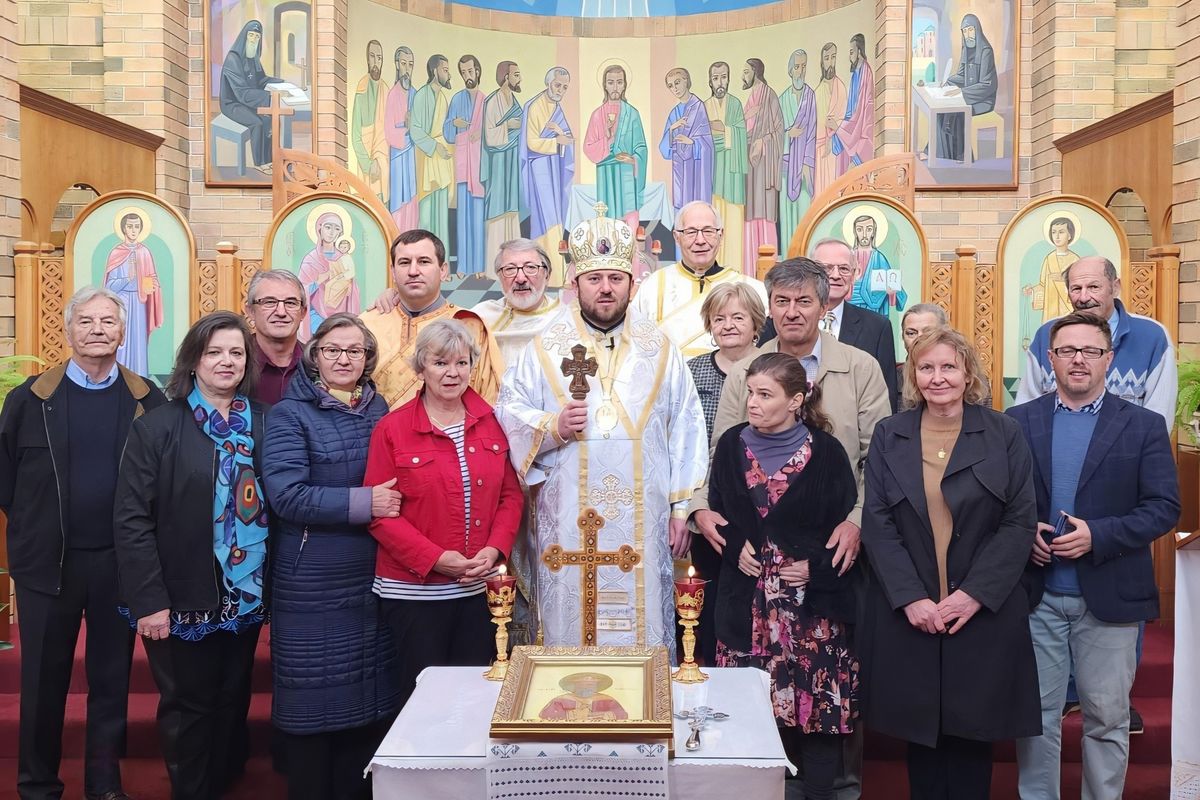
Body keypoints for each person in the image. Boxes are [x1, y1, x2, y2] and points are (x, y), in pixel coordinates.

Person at [689, 258, 888, 800]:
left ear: (825, 306)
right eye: (782, 301)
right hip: (751, 583)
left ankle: (835, 790)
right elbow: (721, 458)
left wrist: (856, 522)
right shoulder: (744, 371)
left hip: (827, 557)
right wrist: (703, 511)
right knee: (755, 702)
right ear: (769, 307)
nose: (793, 311)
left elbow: (879, 458)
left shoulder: (860, 367)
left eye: (804, 301)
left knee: (822, 704)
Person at [497, 207, 708, 655]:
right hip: (567, 519)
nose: (606, 288)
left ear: (633, 283)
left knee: (644, 619)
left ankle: (646, 716)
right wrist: (550, 426)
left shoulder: (660, 347)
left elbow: (686, 426)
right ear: (575, 285)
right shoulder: (544, 346)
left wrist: (681, 507)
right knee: (567, 626)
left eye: (616, 278)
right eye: (595, 279)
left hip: (646, 517)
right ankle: (565, 718)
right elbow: (508, 411)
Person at [860, 327, 1040, 800]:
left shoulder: (1004, 432)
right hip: (913, 610)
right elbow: (877, 522)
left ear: (967, 373)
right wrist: (911, 598)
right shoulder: (889, 434)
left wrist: (972, 595)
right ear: (912, 376)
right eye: (926, 368)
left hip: (980, 609)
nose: (937, 377)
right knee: (921, 735)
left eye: (948, 367)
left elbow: (1020, 522)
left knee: (970, 733)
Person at [1, 286, 166, 800]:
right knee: (43, 681)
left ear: (123, 332)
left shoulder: (148, 399)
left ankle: (103, 782)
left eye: (108, 321)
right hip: (47, 567)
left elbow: (161, 483)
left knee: (112, 680)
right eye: (86, 321)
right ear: (68, 330)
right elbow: (6, 480)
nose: (98, 329)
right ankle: (37, 785)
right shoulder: (29, 399)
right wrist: (34, 531)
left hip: (119, 565)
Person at [1009, 312, 1180, 800]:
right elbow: (996, 504)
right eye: (1067, 351)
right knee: (1036, 717)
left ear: (1108, 359)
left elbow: (1165, 507)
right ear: (1051, 359)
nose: (1078, 360)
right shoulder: (1018, 422)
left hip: (1110, 596)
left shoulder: (1143, 426)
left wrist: (1098, 536)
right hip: (1036, 596)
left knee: (1107, 718)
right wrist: (1024, 535)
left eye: (1089, 351)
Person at [114, 311, 269, 800]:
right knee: (188, 705)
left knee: (230, 699)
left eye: (236, 352)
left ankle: (223, 784)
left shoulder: (264, 422)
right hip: (180, 595)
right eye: (214, 352)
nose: (227, 362)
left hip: (244, 592)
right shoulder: (158, 427)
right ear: (193, 360)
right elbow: (131, 519)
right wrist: (148, 601)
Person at [709, 353, 859, 800]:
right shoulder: (731, 446)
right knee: (752, 717)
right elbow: (720, 513)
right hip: (745, 607)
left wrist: (815, 567)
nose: (752, 403)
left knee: (817, 719)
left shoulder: (827, 453)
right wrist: (735, 548)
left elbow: (845, 533)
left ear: (797, 400)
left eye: (765, 395)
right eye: (751, 393)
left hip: (811, 614)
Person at [262, 313, 399, 800]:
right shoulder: (289, 414)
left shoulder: (379, 409)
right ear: (314, 356)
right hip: (311, 579)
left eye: (355, 351)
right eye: (332, 350)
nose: (344, 359)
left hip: (370, 575)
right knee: (313, 699)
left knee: (367, 700)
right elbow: (286, 496)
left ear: (367, 359)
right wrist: (366, 503)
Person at [364, 318, 523, 709]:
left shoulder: (493, 424)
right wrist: (436, 559)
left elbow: (510, 496)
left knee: (475, 698)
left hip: (477, 588)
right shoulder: (392, 429)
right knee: (423, 702)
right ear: (420, 369)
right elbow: (379, 514)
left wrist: (495, 550)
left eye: (461, 362)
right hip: (413, 593)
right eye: (439, 363)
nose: (452, 373)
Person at [686, 281, 767, 665]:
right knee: (707, 600)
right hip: (707, 501)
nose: (729, 325)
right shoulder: (691, 370)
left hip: (758, 505)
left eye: (739, 317)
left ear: (756, 323)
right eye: (719, 318)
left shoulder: (773, 367)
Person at [1017, 256, 1175, 429]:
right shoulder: (1046, 335)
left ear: (1115, 288)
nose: (1084, 298)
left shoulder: (1152, 336)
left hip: (1126, 453)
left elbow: (1159, 417)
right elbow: (1027, 408)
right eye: (1076, 288)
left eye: (1093, 287)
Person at [360, 228, 503, 408]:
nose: (413, 271)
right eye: (404, 262)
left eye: (424, 261)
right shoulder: (367, 323)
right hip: (375, 434)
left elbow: (488, 400)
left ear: (443, 271)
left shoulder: (468, 325)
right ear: (393, 272)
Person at [631, 200, 768, 359]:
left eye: (708, 231)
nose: (700, 240)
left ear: (720, 235)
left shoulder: (753, 289)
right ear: (677, 237)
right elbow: (634, 347)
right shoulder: (653, 286)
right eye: (690, 232)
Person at [809, 237, 899, 412]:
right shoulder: (787, 320)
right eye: (826, 268)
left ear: (855, 274)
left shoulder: (877, 327)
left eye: (843, 268)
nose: (835, 275)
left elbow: (886, 394)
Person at [521, 66, 575, 283]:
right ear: (548, 83)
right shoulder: (535, 106)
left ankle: (554, 272)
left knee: (556, 218)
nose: (560, 90)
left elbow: (568, 139)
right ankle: (550, 274)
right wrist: (556, 141)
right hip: (540, 170)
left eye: (564, 87)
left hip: (554, 169)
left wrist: (561, 137)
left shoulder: (557, 108)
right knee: (547, 218)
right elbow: (531, 142)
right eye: (557, 85)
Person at [583, 64, 647, 232]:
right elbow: (588, 147)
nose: (615, 87)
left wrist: (633, 159)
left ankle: (631, 255)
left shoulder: (632, 114)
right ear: (604, 85)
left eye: (619, 82)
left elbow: (641, 147)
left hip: (626, 172)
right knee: (608, 221)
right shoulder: (598, 115)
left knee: (629, 220)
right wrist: (609, 138)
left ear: (625, 84)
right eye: (611, 82)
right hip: (606, 173)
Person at [897, 304, 993, 410]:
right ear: (903, 337)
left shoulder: (976, 379)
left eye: (928, 332)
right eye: (911, 333)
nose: (919, 338)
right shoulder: (892, 378)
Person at [219, 20, 283, 174]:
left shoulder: (253, 56)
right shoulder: (233, 59)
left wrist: (282, 83)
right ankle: (259, 163)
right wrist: (268, 96)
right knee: (257, 123)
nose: (254, 39)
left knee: (269, 119)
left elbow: (261, 79)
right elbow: (241, 93)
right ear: (244, 37)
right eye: (251, 35)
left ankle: (269, 160)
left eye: (257, 36)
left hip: (247, 100)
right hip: (232, 103)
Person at [104, 211, 163, 375]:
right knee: (121, 341)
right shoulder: (116, 253)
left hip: (139, 303)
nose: (133, 230)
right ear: (123, 229)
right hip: (121, 303)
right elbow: (109, 286)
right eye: (130, 226)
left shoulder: (145, 252)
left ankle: (140, 378)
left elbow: (152, 278)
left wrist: (151, 285)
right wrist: (127, 278)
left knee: (138, 343)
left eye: (137, 227)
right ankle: (118, 376)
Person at [444, 54, 486, 274]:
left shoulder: (486, 100)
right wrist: (454, 123)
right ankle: (462, 266)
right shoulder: (457, 99)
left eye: (470, 71)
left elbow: (492, 132)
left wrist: (481, 132)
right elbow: (447, 133)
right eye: (463, 72)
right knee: (462, 218)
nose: (467, 76)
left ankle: (479, 266)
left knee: (478, 218)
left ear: (477, 71)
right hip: (462, 166)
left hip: (479, 167)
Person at [742, 58, 784, 270]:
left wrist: (762, 141)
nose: (743, 76)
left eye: (746, 72)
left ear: (756, 72)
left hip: (764, 163)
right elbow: (744, 128)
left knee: (764, 213)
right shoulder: (751, 98)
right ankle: (749, 265)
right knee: (749, 214)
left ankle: (767, 266)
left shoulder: (769, 95)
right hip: (749, 164)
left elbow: (779, 130)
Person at [703, 62, 747, 269]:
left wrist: (723, 131)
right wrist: (717, 136)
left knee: (734, 219)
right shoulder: (705, 106)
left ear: (728, 79)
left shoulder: (736, 104)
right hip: (713, 171)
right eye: (715, 78)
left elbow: (741, 135)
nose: (720, 82)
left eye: (723, 77)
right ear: (710, 81)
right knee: (713, 219)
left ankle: (734, 267)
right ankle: (713, 266)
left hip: (732, 172)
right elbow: (702, 138)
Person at [938, 15, 998, 163]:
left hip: (983, 99)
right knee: (941, 110)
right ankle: (943, 153)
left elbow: (987, 85)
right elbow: (961, 75)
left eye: (970, 30)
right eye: (964, 31)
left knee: (958, 111)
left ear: (977, 30)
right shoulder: (966, 49)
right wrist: (948, 81)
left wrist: (962, 92)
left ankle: (962, 156)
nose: (968, 34)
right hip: (968, 95)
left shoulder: (986, 52)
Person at [482, 61, 524, 271]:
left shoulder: (515, 102)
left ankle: (515, 260)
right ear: (506, 77)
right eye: (516, 75)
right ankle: (494, 265)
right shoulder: (492, 102)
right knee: (498, 209)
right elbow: (490, 136)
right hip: (498, 162)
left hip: (512, 160)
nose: (519, 79)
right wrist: (508, 126)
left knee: (512, 210)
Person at [245, 269, 307, 405]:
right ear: (250, 311)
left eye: (291, 303)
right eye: (269, 302)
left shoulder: (317, 364)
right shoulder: (233, 363)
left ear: (303, 312)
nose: (281, 312)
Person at [411, 55, 455, 247]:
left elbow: (444, 129)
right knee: (427, 212)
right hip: (427, 157)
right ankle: (424, 256)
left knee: (442, 214)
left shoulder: (443, 97)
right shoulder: (422, 95)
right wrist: (435, 146)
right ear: (434, 71)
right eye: (445, 69)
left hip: (441, 158)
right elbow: (415, 129)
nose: (448, 73)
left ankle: (440, 261)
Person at [659, 67, 714, 217]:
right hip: (679, 169)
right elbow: (664, 150)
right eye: (670, 86)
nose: (675, 88)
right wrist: (671, 129)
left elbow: (708, 144)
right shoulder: (674, 112)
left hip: (696, 169)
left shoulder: (698, 107)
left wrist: (692, 142)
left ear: (686, 81)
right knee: (681, 213)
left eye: (677, 82)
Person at [298, 212, 360, 340]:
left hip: (341, 315)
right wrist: (317, 282)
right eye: (328, 227)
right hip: (316, 315)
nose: (332, 232)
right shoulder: (311, 259)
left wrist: (347, 287)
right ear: (319, 229)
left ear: (340, 233)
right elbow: (300, 290)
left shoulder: (343, 258)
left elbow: (351, 287)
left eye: (336, 229)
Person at [779, 50, 816, 258]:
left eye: (803, 66)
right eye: (797, 66)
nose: (800, 71)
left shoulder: (810, 97)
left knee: (803, 215)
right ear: (790, 70)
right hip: (785, 165)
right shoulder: (782, 99)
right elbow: (775, 135)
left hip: (803, 167)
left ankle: (803, 259)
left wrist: (806, 164)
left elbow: (811, 132)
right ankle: (787, 258)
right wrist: (787, 135)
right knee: (787, 216)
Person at [385, 46, 419, 233]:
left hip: (412, 155)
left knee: (413, 200)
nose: (407, 69)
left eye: (410, 65)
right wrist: (406, 127)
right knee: (399, 202)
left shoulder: (415, 94)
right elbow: (389, 132)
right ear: (397, 65)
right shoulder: (392, 95)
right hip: (399, 155)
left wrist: (414, 126)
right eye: (404, 64)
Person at [351, 40, 389, 203]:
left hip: (384, 162)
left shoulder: (386, 89)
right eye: (372, 57)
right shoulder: (362, 87)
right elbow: (356, 135)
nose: (376, 62)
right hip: (367, 165)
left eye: (379, 58)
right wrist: (368, 164)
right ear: (367, 59)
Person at [849, 213, 907, 321]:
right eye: (860, 230)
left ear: (873, 232)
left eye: (869, 229)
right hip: (850, 309)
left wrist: (891, 292)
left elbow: (894, 286)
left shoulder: (879, 258)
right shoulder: (848, 257)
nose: (865, 234)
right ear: (855, 232)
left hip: (874, 310)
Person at [831, 34, 874, 175]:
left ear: (860, 51)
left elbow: (860, 110)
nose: (850, 56)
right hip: (853, 124)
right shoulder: (856, 73)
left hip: (861, 129)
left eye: (851, 52)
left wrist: (840, 127)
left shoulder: (865, 72)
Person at [1026, 217, 1080, 324]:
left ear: (1069, 235)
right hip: (1051, 310)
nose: (1057, 236)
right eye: (1054, 232)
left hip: (1068, 308)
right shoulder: (1049, 259)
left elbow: (1080, 285)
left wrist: (1063, 279)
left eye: (1061, 232)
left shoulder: (1075, 260)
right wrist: (1032, 290)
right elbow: (1042, 285)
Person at [814, 42, 847, 197]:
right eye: (827, 58)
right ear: (822, 62)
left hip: (837, 149)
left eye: (833, 57)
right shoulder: (817, 92)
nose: (830, 62)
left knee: (835, 191)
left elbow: (847, 118)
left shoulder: (841, 88)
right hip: (820, 150)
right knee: (821, 192)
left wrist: (836, 127)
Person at [538, 673, 629, 721]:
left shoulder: (607, 700)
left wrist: (601, 715)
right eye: (584, 684)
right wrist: (573, 714)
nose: (588, 687)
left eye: (592, 685)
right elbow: (546, 715)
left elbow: (622, 715)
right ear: (574, 685)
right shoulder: (561, 700)